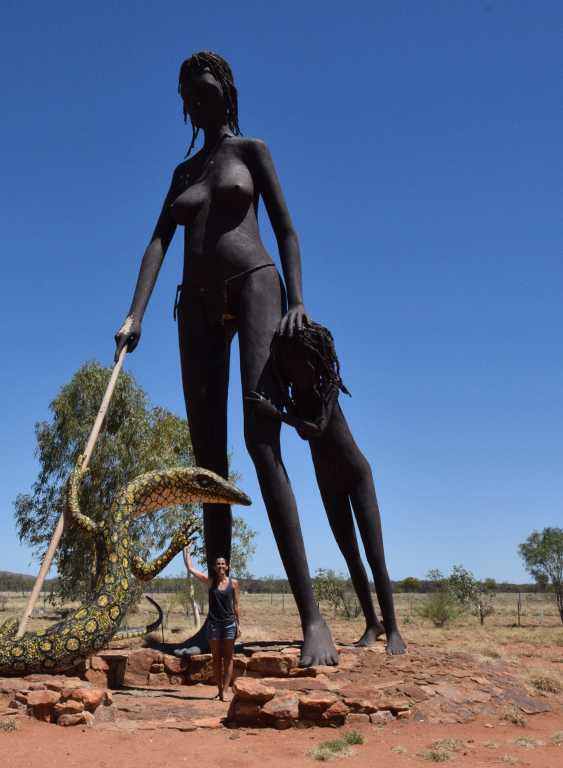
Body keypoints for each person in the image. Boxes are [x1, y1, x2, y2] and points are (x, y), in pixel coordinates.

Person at [114, 51, 337, 667]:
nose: (198, 100)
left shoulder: (252, 153)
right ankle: (218, 619)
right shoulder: (182, 172)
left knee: (263, 442)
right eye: (189, 94)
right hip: (196, 307)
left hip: (256, 284)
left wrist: (297, 300)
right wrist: (135, 314)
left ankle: (313, 619)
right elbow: (159, 241)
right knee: (208, 462)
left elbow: (287, 230)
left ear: (228, 93)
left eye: (207, 89)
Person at [244, 321, 407, 654]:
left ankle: (393, 629)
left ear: (315, 359)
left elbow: (317, 427)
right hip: (327, 480)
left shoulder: (329, 386)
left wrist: (276, 413)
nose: (295, 367)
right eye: (288, 363)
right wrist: (278, 409)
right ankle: (372, 624)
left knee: (375, 556)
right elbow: (304, 430)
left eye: (300, 359)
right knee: (351, 557)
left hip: (356, 474)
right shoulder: (295, 398)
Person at [183, 542, 241, 701]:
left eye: (223, 564)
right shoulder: (210, 582)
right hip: (214, 624)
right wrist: (187, 551)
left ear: (227, 567)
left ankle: (225, 691)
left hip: (229, 624)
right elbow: (191, 569)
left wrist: (239, 624)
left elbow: (236, 604)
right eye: (218, 564)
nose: (221, 566)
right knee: (216, 658)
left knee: (228, 658)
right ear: (214, 568)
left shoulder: (233, 583)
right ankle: (219, 691)